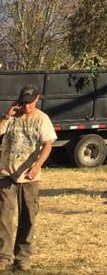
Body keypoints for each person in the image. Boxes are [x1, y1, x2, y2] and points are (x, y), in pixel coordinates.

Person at [0, 84, 57, 271]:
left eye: (30, 103)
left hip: (29, 177)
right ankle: (4, 257)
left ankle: (22, 258)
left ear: (37, 99)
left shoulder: (42, 119)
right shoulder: (11, 117)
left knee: (28, 218)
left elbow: (48, 144)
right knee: (4, 218)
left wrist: (36, 166)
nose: (26, 107)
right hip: (6, 174)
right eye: (23, 103)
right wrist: (7, 115)